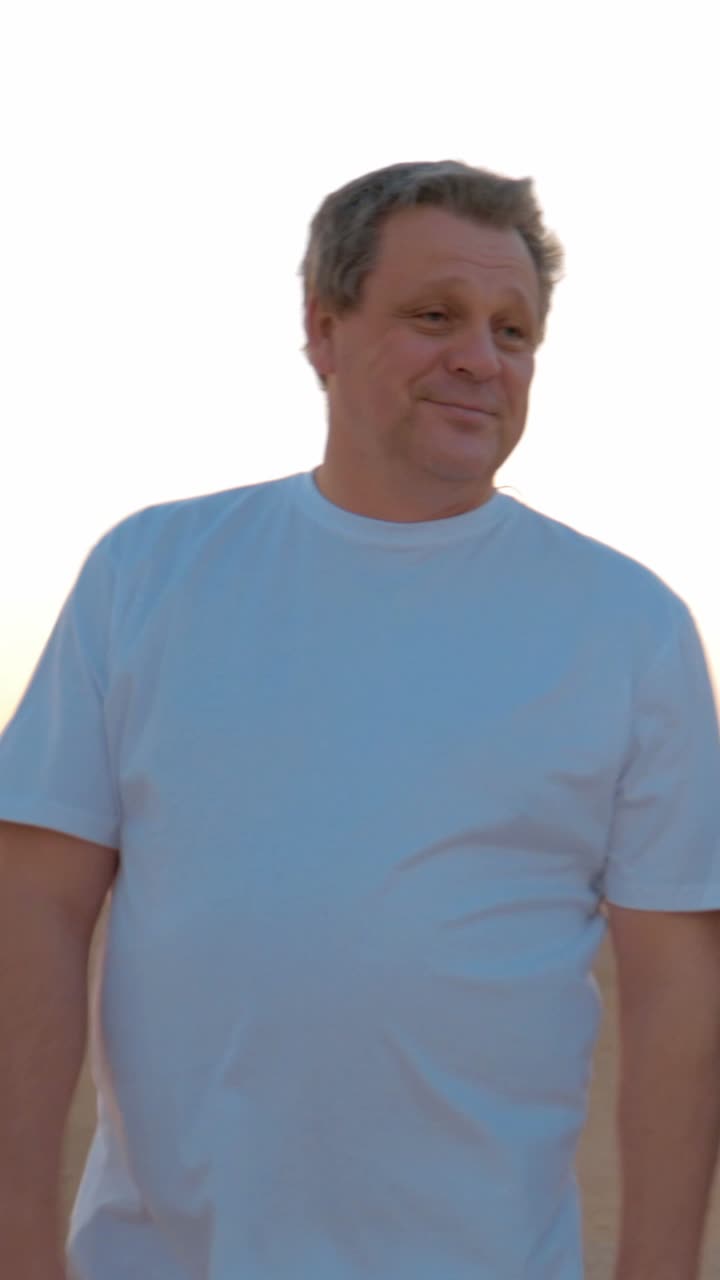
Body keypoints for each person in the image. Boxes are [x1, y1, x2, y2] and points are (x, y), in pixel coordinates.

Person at [1, 159, 719, 1280]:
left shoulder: (629, 626)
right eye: (435, 315)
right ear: (322, 328)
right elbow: (33, 907)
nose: (480, 357)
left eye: (514, 331)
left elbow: (680, 982)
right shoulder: (151, 574)